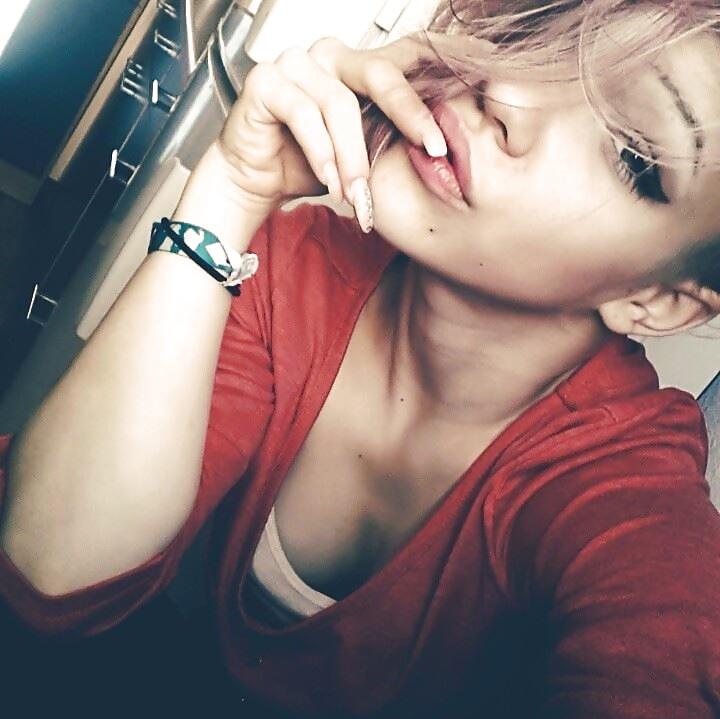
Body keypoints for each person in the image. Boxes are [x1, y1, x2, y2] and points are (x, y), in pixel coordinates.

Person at [1, 0, 719, 716]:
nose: (508, 92)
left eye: (632, 152)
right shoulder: (296, 263)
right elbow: (54, 569)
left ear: (659, 301)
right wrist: (232, 188)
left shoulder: (624, 493)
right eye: (543, 41)